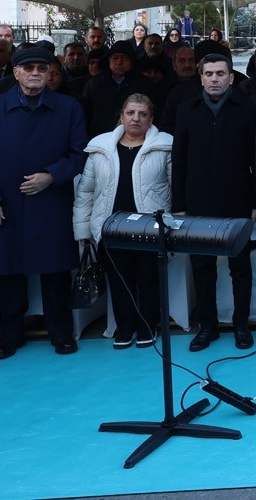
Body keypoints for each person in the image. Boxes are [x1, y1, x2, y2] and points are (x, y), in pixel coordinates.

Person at [0, 47, 89, 359]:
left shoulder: (68, 107)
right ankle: (9, 336)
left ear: (50, 73)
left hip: (49, 200)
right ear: (16, 72)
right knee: (8, 273)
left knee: (56, 273)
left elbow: (78, 154)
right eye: (29, 68)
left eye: (42, 68)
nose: (36, 73)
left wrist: (52, 175)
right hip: (4, 203)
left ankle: (61, 333)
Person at [172, 54, 256, 350]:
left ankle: (241, 326)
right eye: (208, 73)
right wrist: (178, 205)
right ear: (200, 78)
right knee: (202, 267)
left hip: (237, 200)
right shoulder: (186, 111)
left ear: (231, 78)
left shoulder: (246, 110)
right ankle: (207, 326)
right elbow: (180, 161)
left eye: (220, 73)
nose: (214, 79)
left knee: (240, 267)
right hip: (197, 204)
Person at [73, 94, 171, 349]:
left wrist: (170, 223)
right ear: (121, 116)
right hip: (110, 227)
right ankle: (124, 328)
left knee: (148, 280)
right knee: (119, 280)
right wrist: (83, 230)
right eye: (130, 113)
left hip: (149, 227)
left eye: (142, 114)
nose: (135, 119)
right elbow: (86, 191)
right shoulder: (100, 148)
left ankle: (148, 326)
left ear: (151, 119)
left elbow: (175, 188)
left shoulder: (165, 146)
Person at [83, 41, 156, 135]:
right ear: (108, 60)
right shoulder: (94, 84)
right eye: (115, 58)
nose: (119, 62)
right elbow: (85, 115)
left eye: (125, 58)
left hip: (135, 139)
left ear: (132, 61)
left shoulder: (146, 85)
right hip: (99, 140)